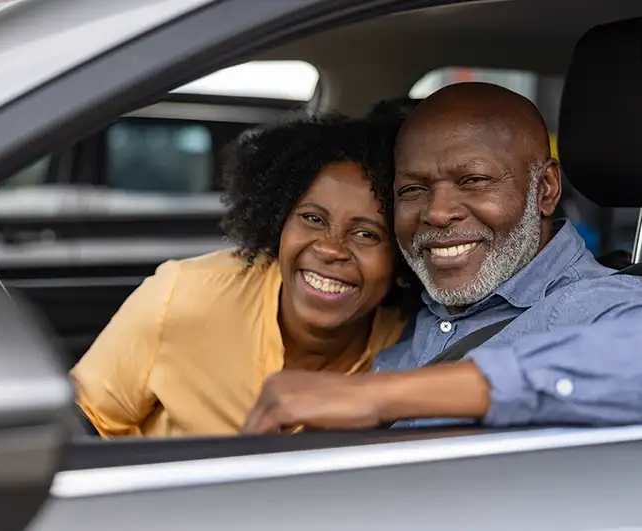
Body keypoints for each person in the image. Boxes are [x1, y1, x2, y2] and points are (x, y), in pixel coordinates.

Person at [241, 83, 642, 434]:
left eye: (474, 181)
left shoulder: (598, 305)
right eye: (414, 189)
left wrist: (381, 396)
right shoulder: (403, 304)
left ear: (545, 189)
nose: (437, 213)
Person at [71, 116, 414, 437]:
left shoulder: (414, 344)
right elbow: (81, 423)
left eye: (367, 234)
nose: (330, 249)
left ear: (402, 256)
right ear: (279, 222)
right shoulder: (183, 295)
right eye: (312, 219)